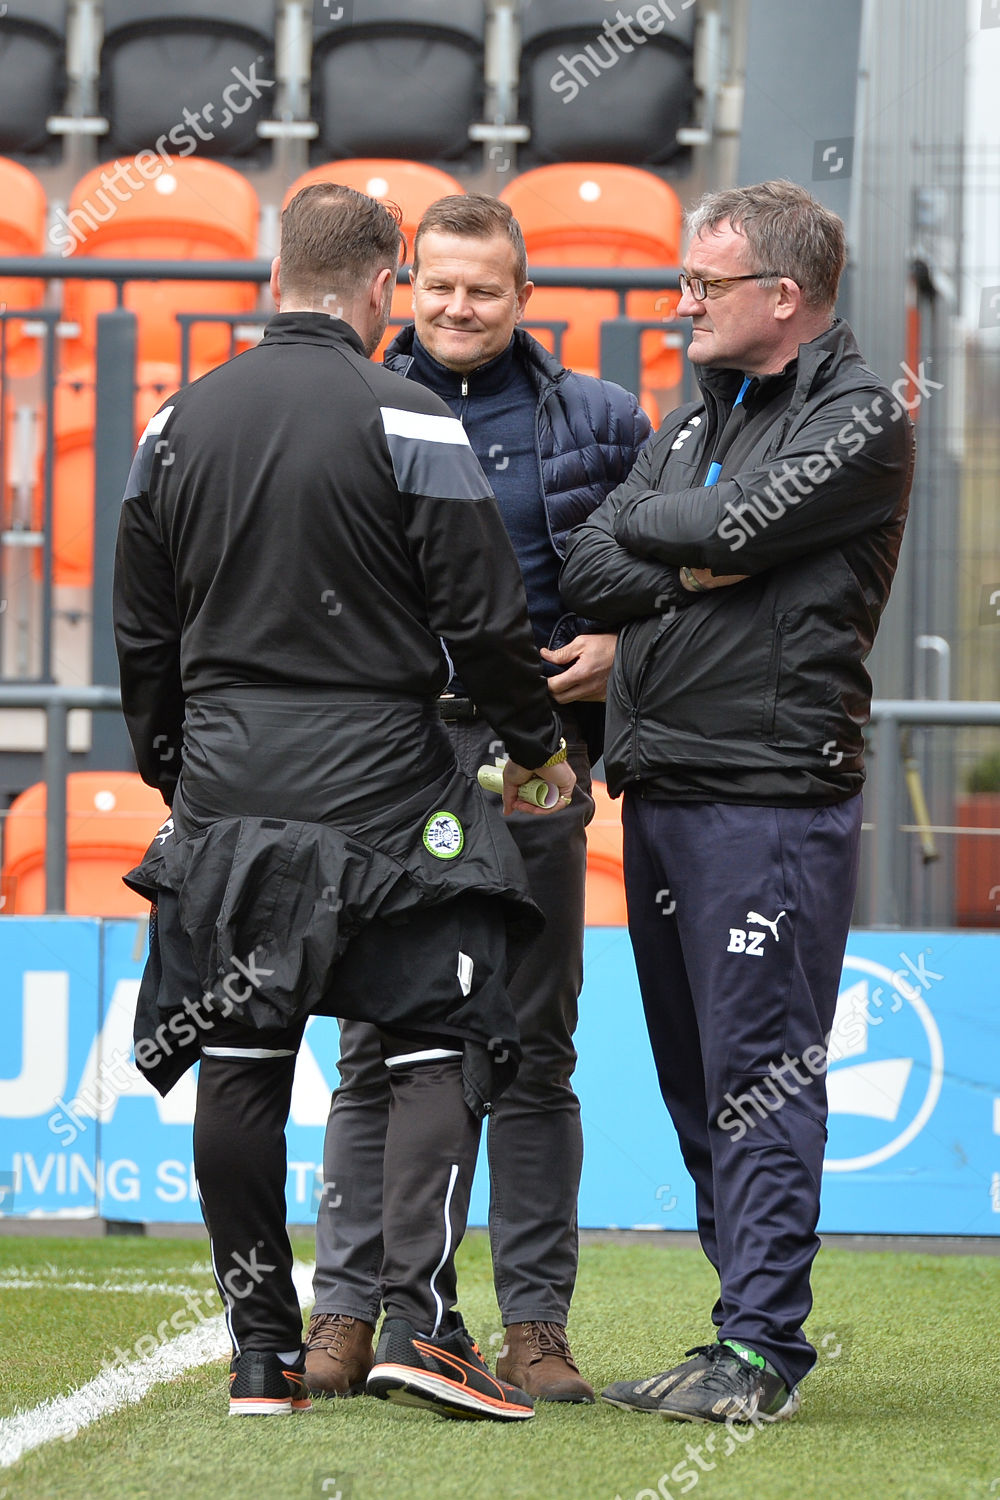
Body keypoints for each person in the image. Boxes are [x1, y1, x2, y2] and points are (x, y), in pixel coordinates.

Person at [113, 181, 579, 1422]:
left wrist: (179, 771)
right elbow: (484, 625)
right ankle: (417, 1331)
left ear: (278, 275)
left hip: (230, 793)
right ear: (382, 287)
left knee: (246, 1063)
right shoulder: (411, 416)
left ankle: (261, 1355)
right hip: (387, 795)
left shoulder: (174, 423)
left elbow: (141, 634)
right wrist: (534, 743)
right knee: (437, 1046)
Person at [560, 180, 913, 1424]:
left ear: (783, 296)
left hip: (769, 797)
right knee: (695, 1080)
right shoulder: (689, 416)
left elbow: (711, 525)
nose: (681, 303)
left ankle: (759, 1352)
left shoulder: (863, 416)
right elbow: (590, 555)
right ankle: (738, 1334)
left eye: (703, 285)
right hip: (663, 787)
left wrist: (690, 540)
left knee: (758, 1073)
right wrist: (699, 558)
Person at [305, 194, 651, 1404]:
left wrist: (620, 644)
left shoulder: (603, 420)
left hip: (537, 766)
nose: (459, 308)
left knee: (536, 1054)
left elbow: (649, 573)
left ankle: (535, 1333)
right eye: (438, 285)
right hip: (381, 773)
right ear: (404, 285)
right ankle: (348, 1315)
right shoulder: (349, 406)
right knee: (372, 1052)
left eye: (484, 290)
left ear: (524, 295)